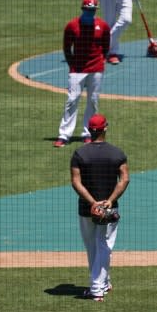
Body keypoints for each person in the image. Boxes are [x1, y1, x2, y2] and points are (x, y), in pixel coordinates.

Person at [69, 114, 129, 301]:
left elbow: (76, 182)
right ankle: (98, 287)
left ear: (89, 129)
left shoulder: (79, 153)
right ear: (105, 128)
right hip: (110, 209)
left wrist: (92, 202)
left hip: (86, 209)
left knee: (92, 247)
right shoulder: (117, 153)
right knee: (104, 245)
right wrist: (109, 200)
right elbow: (125, 179)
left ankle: (103, 282)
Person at [54, 0, 111, 148]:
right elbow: (67, 47)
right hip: (77, 70)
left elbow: (106, 46)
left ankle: (87, 133)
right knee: (72, 100)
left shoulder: (102, 26)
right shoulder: (72, 26)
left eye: (92, 10)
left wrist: (100, 62)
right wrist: (72, 64)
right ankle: (64, 135)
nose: (90, 13)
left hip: (96, 69)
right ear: (82, 9)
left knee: (93, 101)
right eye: (87, 10)